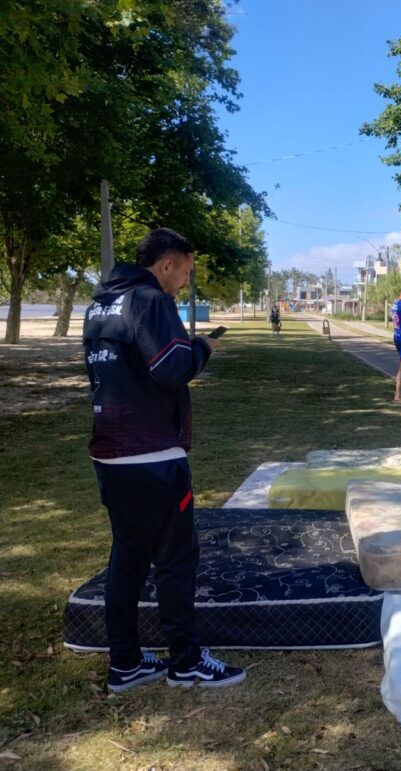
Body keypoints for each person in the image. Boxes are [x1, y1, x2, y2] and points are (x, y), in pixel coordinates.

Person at [84, 228, 246, 692]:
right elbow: (171, 368)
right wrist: (204, 348)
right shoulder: (151, 300)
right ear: (167, 264)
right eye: (187, 272)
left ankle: (126, 663)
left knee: (128, 558)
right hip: (153, 454)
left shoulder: (100, 304)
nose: (186, 282)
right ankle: (187, 662)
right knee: (176, 560)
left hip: (111, 453)